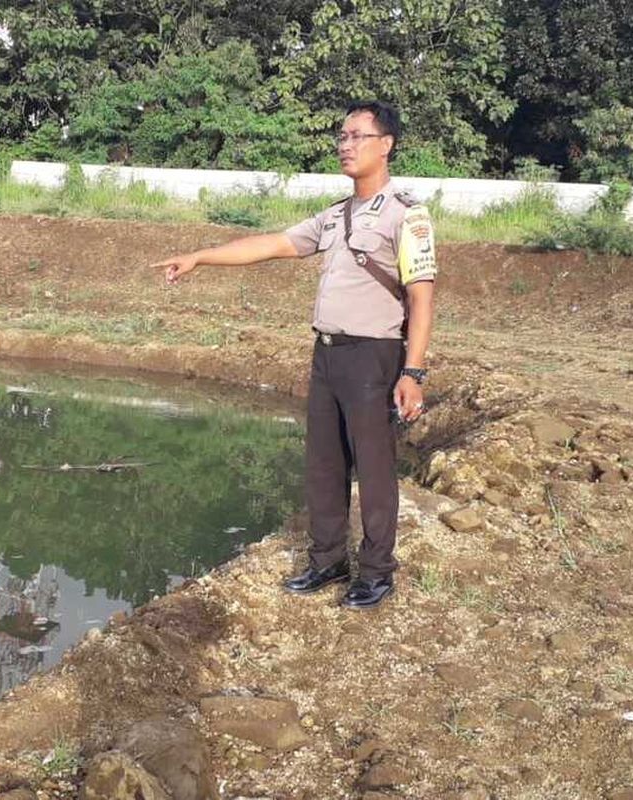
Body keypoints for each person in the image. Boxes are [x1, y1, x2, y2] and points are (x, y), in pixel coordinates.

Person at [152, 100, 436, 610]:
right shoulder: (336, 215)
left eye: (356, 136)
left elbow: (421, 295)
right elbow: (273, 244)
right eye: (341, 137)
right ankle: (327, 559)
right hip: (327, 353)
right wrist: (200, 257)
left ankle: (376, 572)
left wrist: (412, 371)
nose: (344, 145)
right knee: (323, 465)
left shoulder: (406, 215)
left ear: (386, 145)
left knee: (373, 469)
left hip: (373, 354)